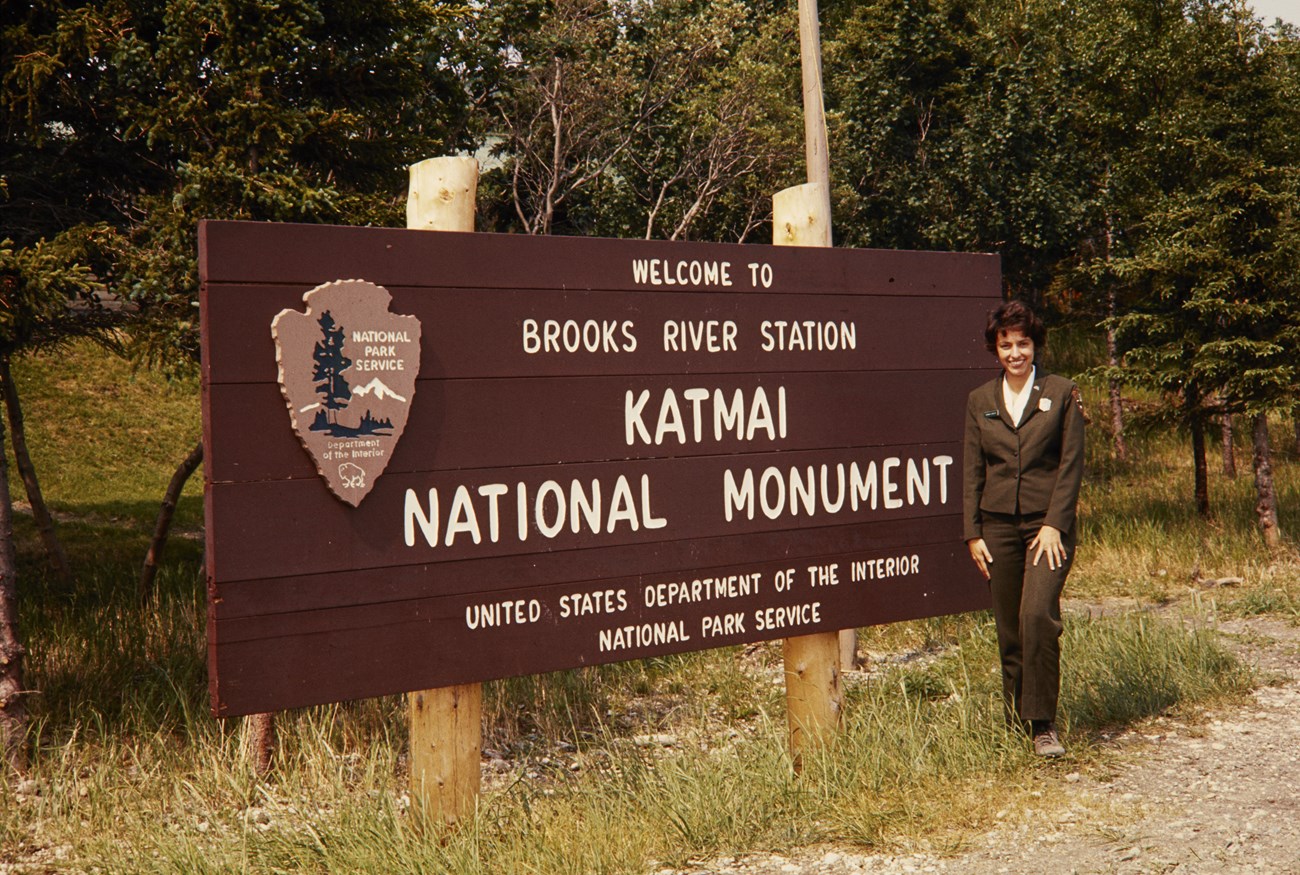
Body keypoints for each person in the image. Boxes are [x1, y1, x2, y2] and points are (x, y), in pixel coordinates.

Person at [962, 300, 1085, 757]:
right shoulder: (980, 401)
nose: (1015, 353)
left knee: (1037, 616)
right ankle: (1016, 722)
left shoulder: (1062, 392)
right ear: (995, 349)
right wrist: (972, 532)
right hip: (996, 529)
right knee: (1009, 628)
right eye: (1006, 344)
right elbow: (973, 471)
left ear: (1036, 345)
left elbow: (1071, 467)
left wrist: (1055, 524)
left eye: (1023, 343)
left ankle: (1043, 724)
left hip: (1046, 528)